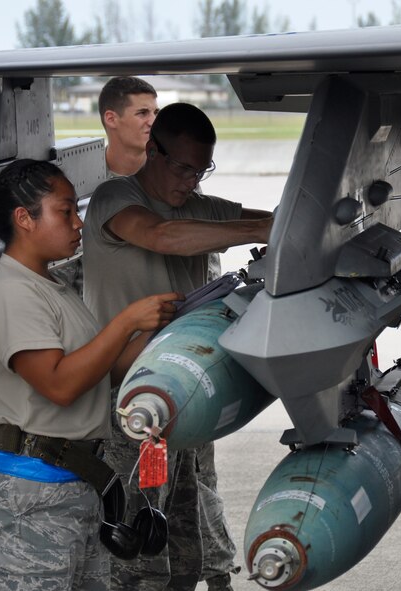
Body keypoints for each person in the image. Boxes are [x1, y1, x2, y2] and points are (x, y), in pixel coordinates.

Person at [0, 159, 180, 591]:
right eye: (65, 212)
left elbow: (99, 374)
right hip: (29, 499)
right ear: (24, 218)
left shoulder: (51, 286)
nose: (79, 223)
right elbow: (60, 385)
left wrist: (156, 330)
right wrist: (125, 322)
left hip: (74, 487)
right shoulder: (11, 291)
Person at [82, 102, 273, 591]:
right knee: (130, 532)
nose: (191, 181)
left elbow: (267, 219)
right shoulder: (115, 198)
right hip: (127, 395)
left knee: (191, 515)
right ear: (152, 150)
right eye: (183, 167)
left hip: (184, 387)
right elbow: (161, 236)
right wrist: (256, 230)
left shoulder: (198, 207)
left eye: (202, 170)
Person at [99, 76, 159, 177]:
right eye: (142, 113)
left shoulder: (174, 175)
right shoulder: (80, 178)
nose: (154, 122)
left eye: (156, 113)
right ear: (111, 119)